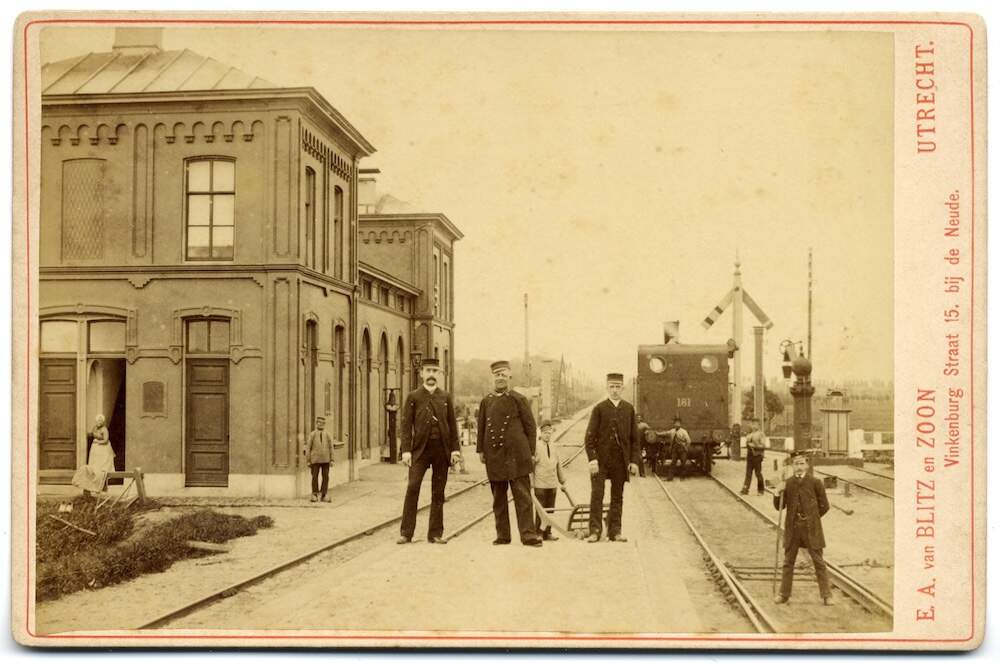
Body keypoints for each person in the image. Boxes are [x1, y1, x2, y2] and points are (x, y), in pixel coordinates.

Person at [477, 360, 543, 547]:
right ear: (493, 377)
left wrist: (530, 452)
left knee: (522, 497)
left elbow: (531, 427)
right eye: (497, 375)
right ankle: (503, 535)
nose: (500, 378)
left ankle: (528, 535)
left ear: (510, 376)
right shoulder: (486, 401)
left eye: (503, 374)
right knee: (498, 498)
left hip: (517, 455)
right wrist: (481, 450)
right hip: (495, 455)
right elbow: (482, 427)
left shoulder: (518, 399)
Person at [397, 358, 462, 544]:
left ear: (439, 374)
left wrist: (455, 450)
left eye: (435, 371)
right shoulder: (413, 397)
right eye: (428, 370)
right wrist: (406, 451)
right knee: (412, 487)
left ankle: (435, 533)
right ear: (422, 373)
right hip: (420, 451)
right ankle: (406, 532)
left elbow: (452, 426)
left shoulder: (446, 397)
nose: (432, 375)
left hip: (442, 450)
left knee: (438, 492)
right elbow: (406, 425)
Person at [584, 373, 641, 542]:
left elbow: (634, 440)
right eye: (612, 387)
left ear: (622, 388)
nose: (615, 390)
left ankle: (615, 531)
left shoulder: (629, 409)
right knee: (597, 494)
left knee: (618, 496)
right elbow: (589, 438)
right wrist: (592, 459)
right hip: (601, 461)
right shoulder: (599, 409)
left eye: (618, 387)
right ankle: (595, 531)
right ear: (607, 388)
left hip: (620, 461)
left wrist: (633, 461)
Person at [773, 451, 835, 606]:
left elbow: (825, 506)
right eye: (796, 464)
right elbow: (778, 507)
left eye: (801, 463)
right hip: (793, 528)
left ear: (807, 465)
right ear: (792, 466)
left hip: (811, 528)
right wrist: (777, 492)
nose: (799, 467)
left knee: (818, 562)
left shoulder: (816, 483)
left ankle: (826, 595)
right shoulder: (788, 483)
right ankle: (783, 594)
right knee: (788, 562)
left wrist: (812, 518)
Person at [532, 419, 565, 541]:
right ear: (541, 433)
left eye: (549, 432)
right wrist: (531, 482)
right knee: (541, 510)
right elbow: (532, 466)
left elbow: (558, 464)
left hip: (552, 484)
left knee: (551, 509)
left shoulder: (554, 446)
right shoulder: (536, 447)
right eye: (545, 432)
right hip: (540, 484)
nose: (547, 435)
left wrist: (562, 480)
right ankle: (539, 533)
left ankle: (548, 533)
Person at [72, 414, 115, 494]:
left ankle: (102, 486)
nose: (99, 422)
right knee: (93, 467)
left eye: (100, 421)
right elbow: (92, 434)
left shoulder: (104, 430)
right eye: (97, 421)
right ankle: (92, 486)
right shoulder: (95, 428)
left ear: (103, 422)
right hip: (95, 449)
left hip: (103, 450)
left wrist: (98, 442)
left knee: (102, 469)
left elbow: (105, 440)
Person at [305, 416, 335, 502]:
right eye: (319, 422)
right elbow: (308, 448)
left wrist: (332, 459)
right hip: (315, 460)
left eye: (322, 423)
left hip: (326, 460)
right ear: (316, 423)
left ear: (324, 424)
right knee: (314, 477)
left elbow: (331, 447)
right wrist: (308, 460)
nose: (320, 424)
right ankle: (314, 494)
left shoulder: (328, 434)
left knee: (325, 477)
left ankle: (324, 494)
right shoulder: (312, 434)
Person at [741, 418, 766, 496]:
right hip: (750, 456)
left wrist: (754, 446)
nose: (754, 426)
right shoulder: (749, 434)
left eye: (756, 424)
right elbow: (747, 444)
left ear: (759, 425)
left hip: (757, 456)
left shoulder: (761, 434)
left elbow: (763, 446)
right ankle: (745, 489)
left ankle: (761, 490)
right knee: (748, 473)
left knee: (758, 473)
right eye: (753, 424)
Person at [665, 416, 691, 481]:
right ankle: (670, 478)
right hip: (675, 450)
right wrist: (657, 434)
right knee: (673, 463)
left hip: (682, 449)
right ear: (674, 424)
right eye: (676, 423)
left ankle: (682, 477)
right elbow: (665, 433)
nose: (677, 424)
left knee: (683, 463)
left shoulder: (684, 431)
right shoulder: (672, 431)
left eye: (678, 423)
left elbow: (688, 441)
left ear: (680, 424)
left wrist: (686, 448)